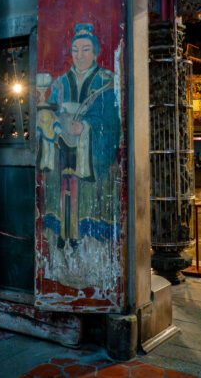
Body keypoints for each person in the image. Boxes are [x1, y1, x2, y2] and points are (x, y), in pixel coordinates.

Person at [38, 23, 121, 252]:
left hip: (91, 153)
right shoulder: (60, 82)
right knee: (59, 192)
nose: (80, 55)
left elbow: (111, 121)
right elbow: (51, 110)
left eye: (85, 49)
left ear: (96, 52)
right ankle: (62, 236)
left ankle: (87, 238)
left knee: (88, 197)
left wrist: (85, 127)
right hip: (62, 151)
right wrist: (51, 122)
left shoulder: (106, 81)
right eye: (75, 50)